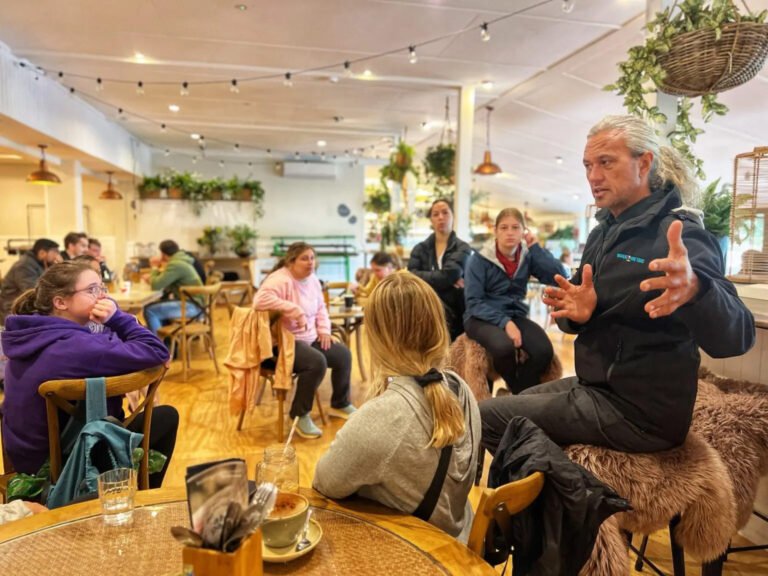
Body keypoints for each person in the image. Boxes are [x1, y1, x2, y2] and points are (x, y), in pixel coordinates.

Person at [480, 114, 755, 455]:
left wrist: (698, 291)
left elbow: (739, 337)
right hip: (595, 388)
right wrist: (579, 314)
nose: (593, 176)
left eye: (606, 162)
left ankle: (555, 502)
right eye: (587, 165)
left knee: (486, 418)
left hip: (641, 414)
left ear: (645, 163)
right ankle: (528, 500)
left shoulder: (681, 236)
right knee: (515, 406)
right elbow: (575, 314)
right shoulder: (603, 232)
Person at [314, 273, 480, 542]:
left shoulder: (380, 418)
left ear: (378, 337)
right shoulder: (461, 388)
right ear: (438, 325)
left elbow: (325, 482)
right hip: (459, 537)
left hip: (413, 553)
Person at [1, 261, 178, 487]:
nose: (102, 297)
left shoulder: (36, 332)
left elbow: (102, 344)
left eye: (102, 288)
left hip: (26, 457)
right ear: (60, 302)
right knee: (166, 417)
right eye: (92, 290)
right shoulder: (72, 347)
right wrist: (118, 318)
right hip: (60, 466)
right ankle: (144, 499)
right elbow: (156, 350)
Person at [252, 242, 356, 439]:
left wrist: (324, 330)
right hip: (284, 343)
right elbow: (259, 301)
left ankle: (340, 403)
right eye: (304, 259)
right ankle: (299, 415)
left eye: (312, 258)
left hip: (311, 336)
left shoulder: (313, 279)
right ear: (291, 262)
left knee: (343, 355)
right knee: (317, 363)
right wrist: (293, 308)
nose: (310, 263)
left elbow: (320, 309)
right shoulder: (280, 279)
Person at [464, 208, 568, 393]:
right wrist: (505, 323)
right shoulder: (478, 259)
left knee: (543, 351)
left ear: (524, 231)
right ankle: (520, 394)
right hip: (480, 317)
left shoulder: (527, 256)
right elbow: (473, 302)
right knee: (503, 348)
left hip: (515, 314)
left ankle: (516, 392)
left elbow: (559, 276)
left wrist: (536, 248)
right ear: (495, 231)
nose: (510, 232)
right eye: (504, 227)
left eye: (515, 227)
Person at [408, 198, 472, 340]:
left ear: (453, 216)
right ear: (431, 219)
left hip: (455, 312)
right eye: (435, 214)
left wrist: (429, 278)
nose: (441, 217)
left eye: (445, 212)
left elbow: (450, 274)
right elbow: (411, 277)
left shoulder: (463, 248)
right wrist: (447, 281)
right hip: (424, 308)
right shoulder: (420, 249)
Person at [142, 240, 203, 335]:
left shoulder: (176, 264)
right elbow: (163, 280)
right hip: (196, 304)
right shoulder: (181, 260)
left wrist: (154, 267)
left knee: (150, 311)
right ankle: (168, 344)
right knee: (154, 307)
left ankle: (158, 348)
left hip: (191, 306)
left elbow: (156, 285)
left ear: (163, 254)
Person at [0, 238, 60, 325]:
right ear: (42, 253)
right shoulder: (24, 266)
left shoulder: (37, 263)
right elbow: (32, 289)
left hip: (26, 306)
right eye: (55, 252)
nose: (57, 256)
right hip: (13, 308)